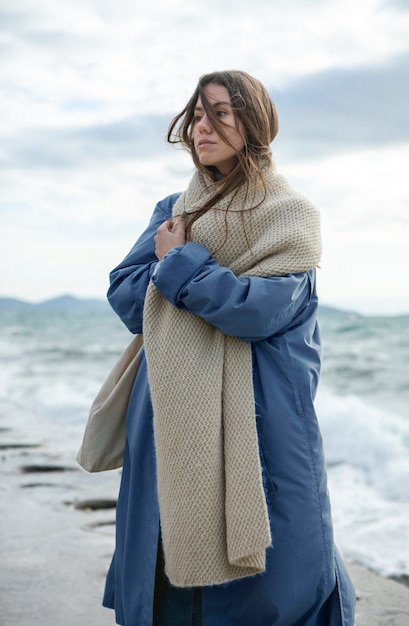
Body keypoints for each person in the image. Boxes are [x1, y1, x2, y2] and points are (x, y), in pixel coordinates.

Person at [102, 70, 356, 625]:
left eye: (221, 112)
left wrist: (178, 263)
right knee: (164, 552)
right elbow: (125, 297)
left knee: (277, 571)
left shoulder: (289, 216)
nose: (203, 126)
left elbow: (258, 310)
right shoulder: (174, 208)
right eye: (197, 114)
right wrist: (173, 264)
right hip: (169, 406)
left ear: (254, 122)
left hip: (261, 413)